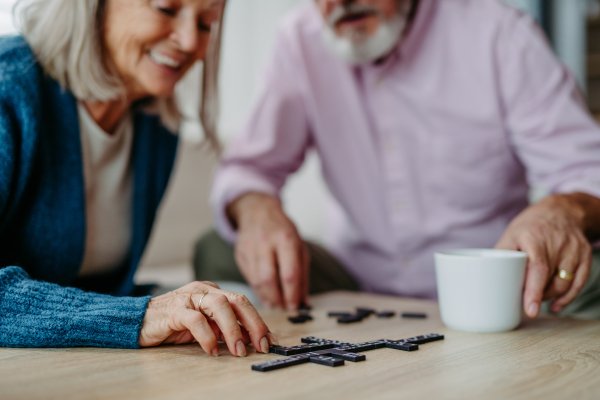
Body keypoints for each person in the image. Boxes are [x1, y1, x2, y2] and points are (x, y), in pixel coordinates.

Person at [195, 0, 600, 319]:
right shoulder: (298, 40)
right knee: (218, 247)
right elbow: (250, 169)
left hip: (498, 288)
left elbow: (588, 168)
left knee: (592, 272)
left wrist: (561, 211)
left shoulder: (500, 34)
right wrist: (258, 210)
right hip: (357, 282)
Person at [0, 0, 279, 357]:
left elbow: (97, 289)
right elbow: (114, 309)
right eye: (165, 8)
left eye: (208, 23)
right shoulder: (10, 88)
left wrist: (180, 302)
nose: (191, 41)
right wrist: (139, 315)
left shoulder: (156, 126)